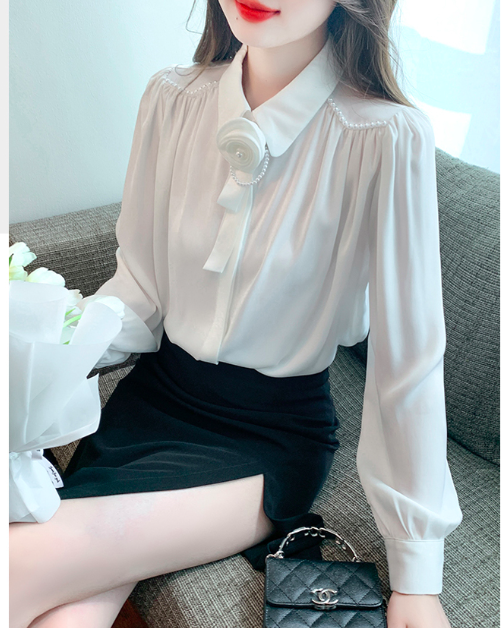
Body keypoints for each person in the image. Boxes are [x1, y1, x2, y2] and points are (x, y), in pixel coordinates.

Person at [9, 0, 464, 627]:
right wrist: (41, 359)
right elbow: (140, 290)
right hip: (151, 402)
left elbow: (407, 364)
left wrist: (417, 575)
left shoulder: (384, 136)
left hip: (267, 438)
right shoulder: (172, 98)